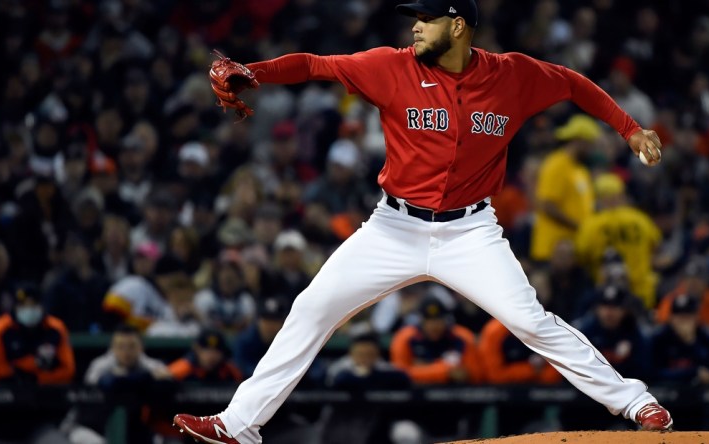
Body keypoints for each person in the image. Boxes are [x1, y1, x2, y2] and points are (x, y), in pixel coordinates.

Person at [174, 1, 672, 441]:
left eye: (426, 17)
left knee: (530, 321)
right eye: (414, 17)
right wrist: (254, 72)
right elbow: (314, 64)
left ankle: (635, 401)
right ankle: (238, 424)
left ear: (457, 25)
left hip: (470, 232)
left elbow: (572, 84)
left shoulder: (511, 75)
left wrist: (629, 129)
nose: (415, 27)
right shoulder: (391, 66)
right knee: (312, 307)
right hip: (393, 227)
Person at [576, 173, 662, 308]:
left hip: (607, 297)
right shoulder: (641, 219)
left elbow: (582, 256)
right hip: (642, 293)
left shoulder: (591, 225)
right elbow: (656, 247)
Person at [531, 114, 598, 262]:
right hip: (553, 250)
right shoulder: (557, 165)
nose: (592, 149)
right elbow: (547, 205)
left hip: (574, 249)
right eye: (590, 143)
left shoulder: (580, 169)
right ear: (579, 140)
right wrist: (580, 226)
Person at [0, 283, 75, 385]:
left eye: (33, 304)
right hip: (9, 391)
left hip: (48, 391)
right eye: (23, 305)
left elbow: (68, 370)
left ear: (42, 306)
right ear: (15, 307)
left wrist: (38, 378)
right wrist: (17, 372)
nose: (29, 309)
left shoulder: (56, 328)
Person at [390, 296, 482, 384]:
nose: (434, 325)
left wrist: (421, 369)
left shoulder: (462, 337)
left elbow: (475, 375)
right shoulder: (405, 338)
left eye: (438, 319)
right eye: (429, 320)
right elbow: (400, 375)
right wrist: (446, 371)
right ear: (421, 321)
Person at [168, 329, 242, 382]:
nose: (211, 356)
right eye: (207, 351)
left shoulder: (231, 371)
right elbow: (167, 375)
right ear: (197, 349)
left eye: (216, 351)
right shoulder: (184, 368)